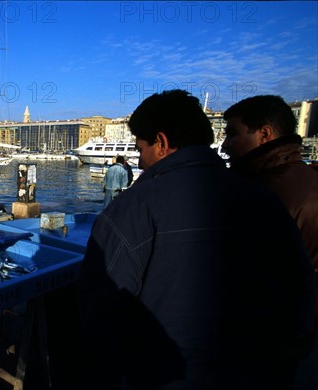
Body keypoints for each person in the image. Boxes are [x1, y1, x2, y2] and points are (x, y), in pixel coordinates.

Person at [78, 90, 316, 389]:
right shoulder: (265, 199)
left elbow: (102, 313)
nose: (140, 160)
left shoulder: (131, 209)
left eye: (141, 149)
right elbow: (303, 296)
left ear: (161, 143)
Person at [222, 95, 318, 388]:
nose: (224, 144)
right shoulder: (306, 178)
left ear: (264, 134)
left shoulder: (264, 194)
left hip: (266, 343)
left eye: (233, 133)